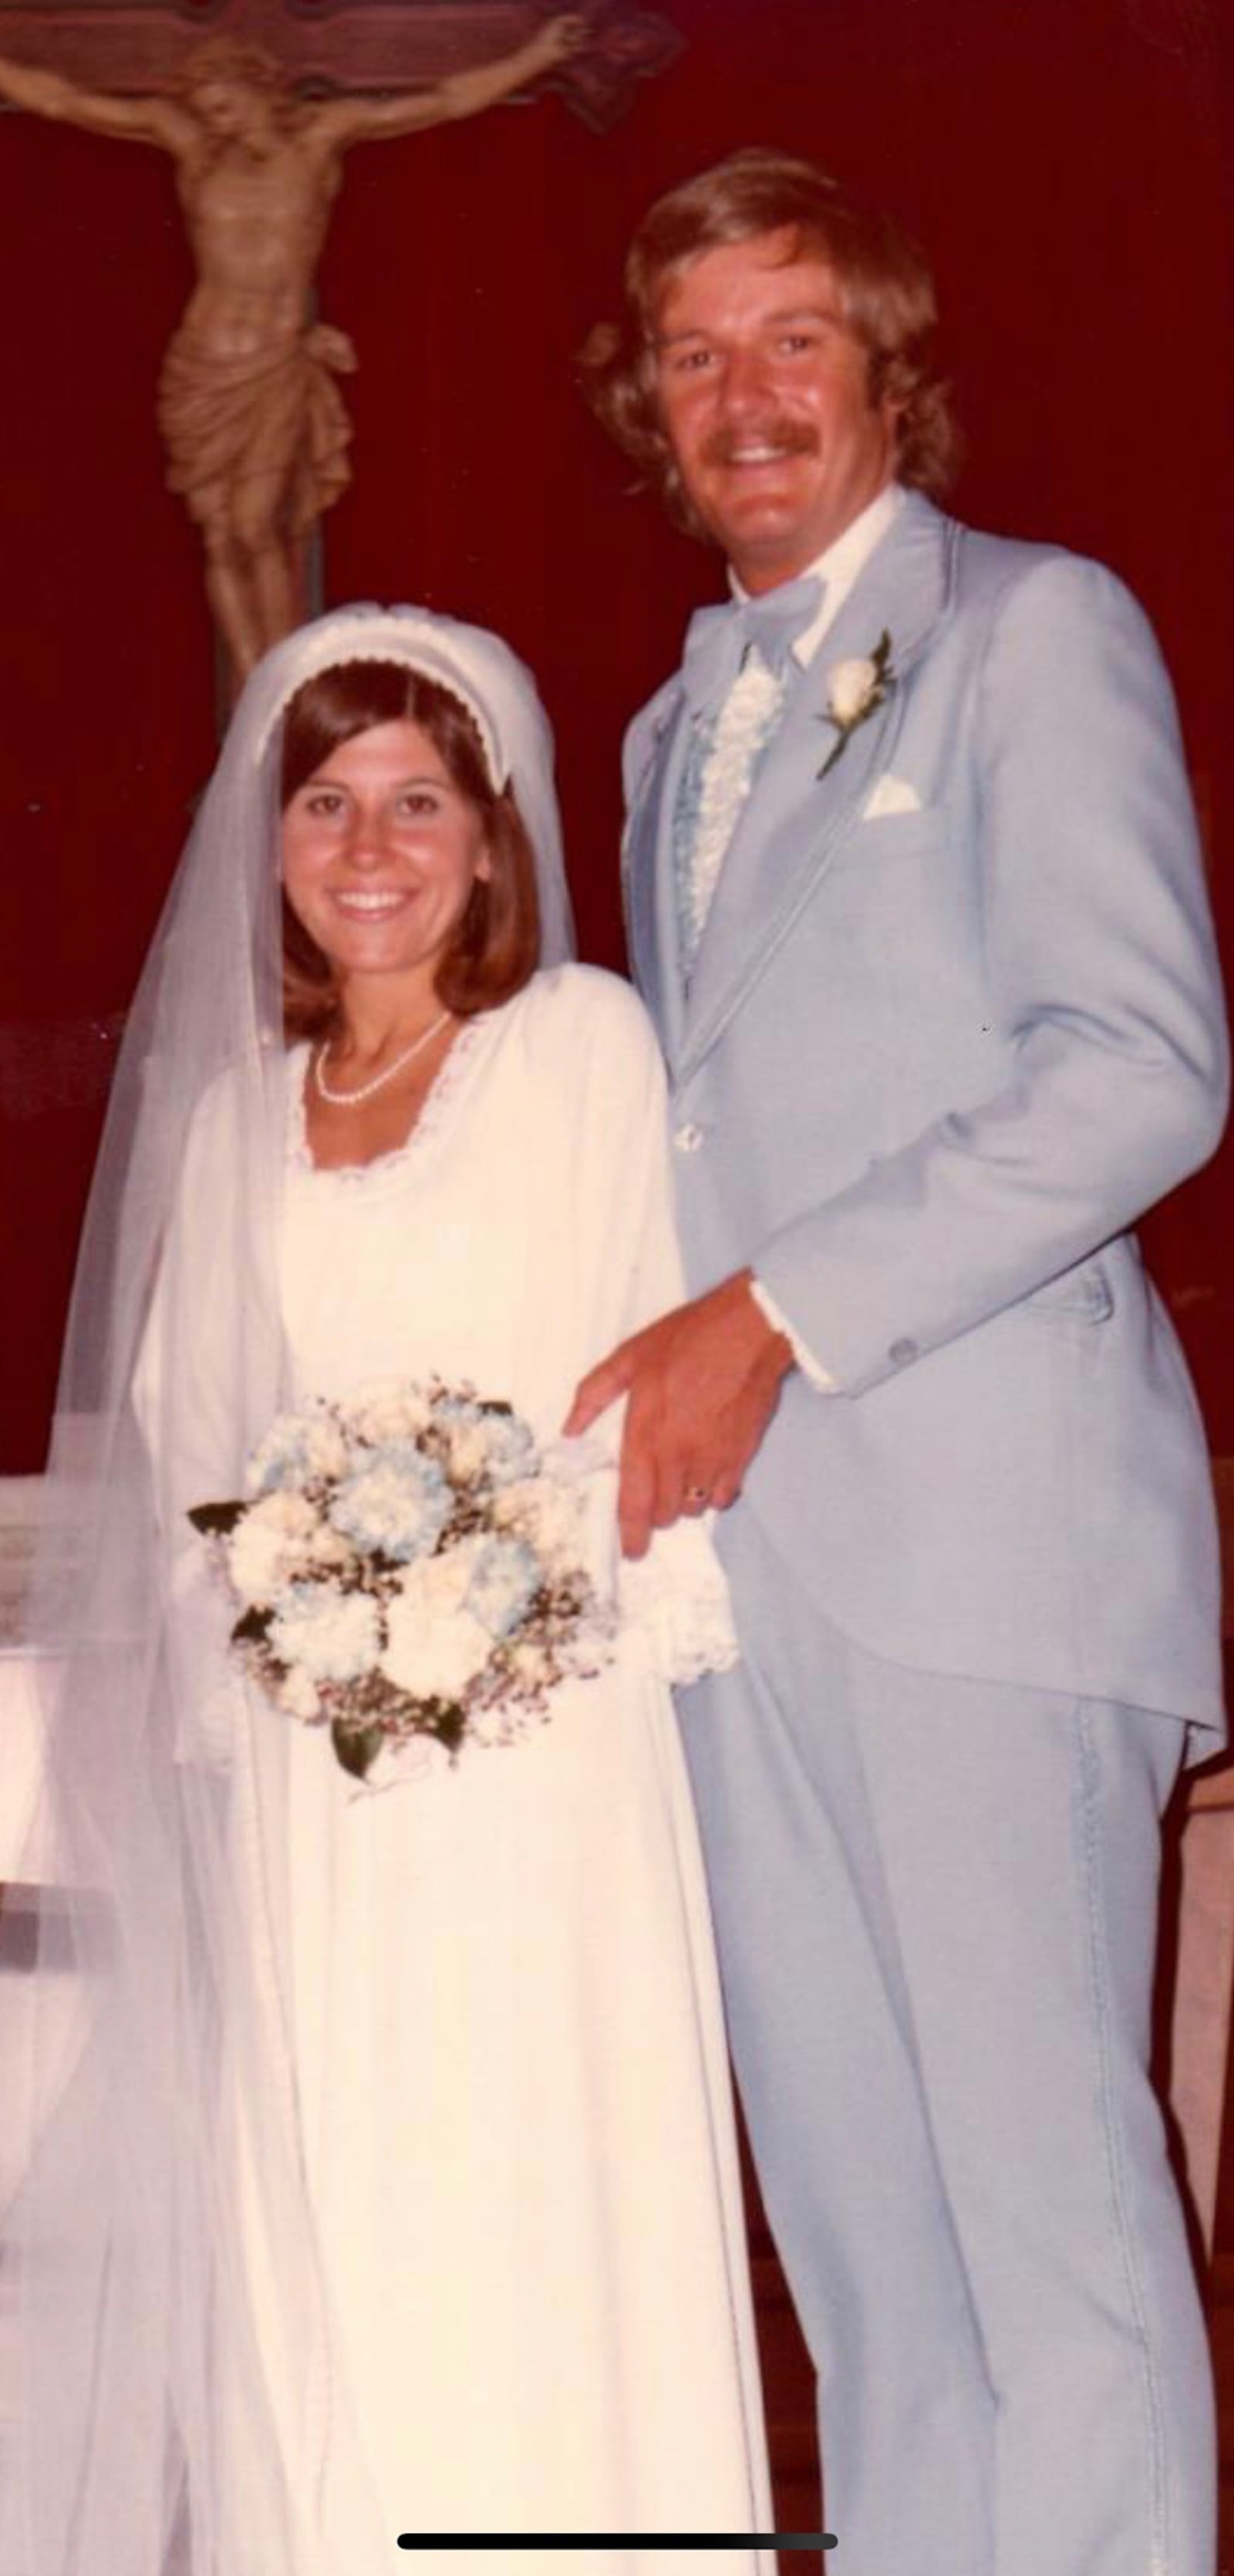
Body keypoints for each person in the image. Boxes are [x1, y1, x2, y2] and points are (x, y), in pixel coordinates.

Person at [571, 147, 1229, 2574]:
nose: (740, 396)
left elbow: (1140, 1067)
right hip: (736, 1598)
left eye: (790, 339)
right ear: (644, 406)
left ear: (882, 369)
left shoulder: (1031, 630)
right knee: (866, 2264)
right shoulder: (658, 739)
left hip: (978, 1556)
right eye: (690, 353)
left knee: (1049, 2252)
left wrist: (763, 1317)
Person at [3, 605, 774, 2576]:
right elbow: (188, 1452)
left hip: (532, 1769)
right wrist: (290, 1613)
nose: (368, 845)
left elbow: (628, 1402)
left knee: (522, 2218)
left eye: (417, 799)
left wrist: (463, 1609)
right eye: (324, 800)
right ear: (266, 845)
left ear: (493, 838)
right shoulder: (223, 1120)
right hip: (299, 1790)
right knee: (335, 2229)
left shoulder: (573, 1050)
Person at [0, 22, 584, 674]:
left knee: (256, 525)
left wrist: (534, 56)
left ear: (257, 90)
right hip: (202, 365)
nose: (214, 122)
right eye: (204, 112)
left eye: (222, 106)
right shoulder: (192, 146)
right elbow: (63, 101)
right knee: (221, 534)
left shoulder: (319, 140)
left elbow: (443, 99)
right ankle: (257, 689)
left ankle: (291, 679)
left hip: (273, 365)